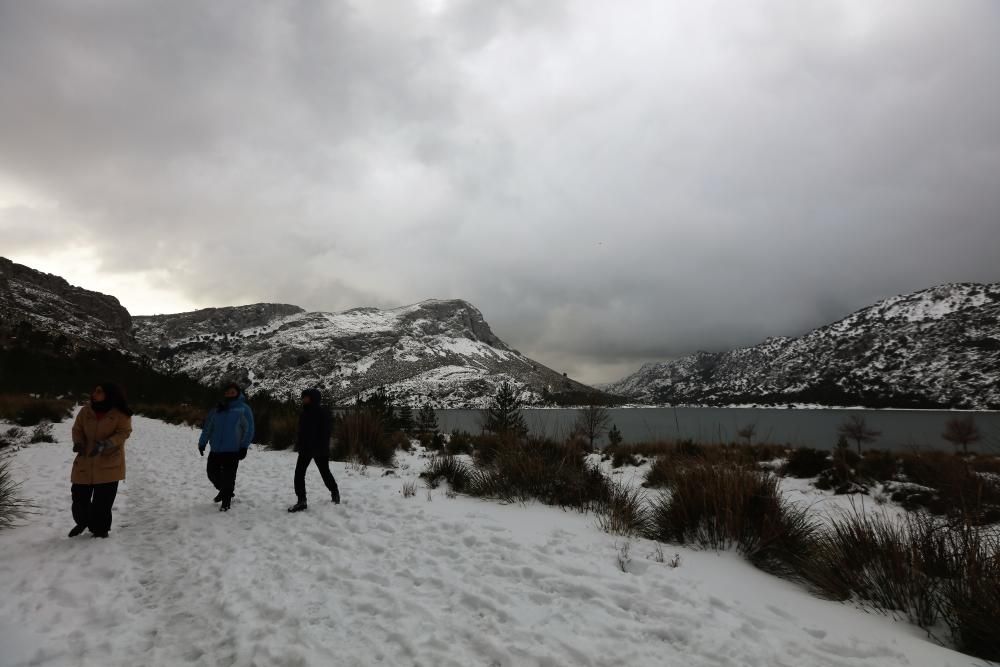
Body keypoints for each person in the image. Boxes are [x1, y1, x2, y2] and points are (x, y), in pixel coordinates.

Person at [69, 383, 133, 538]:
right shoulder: (86, 411)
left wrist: (106, 444)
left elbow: (124, 432)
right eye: (95, 390)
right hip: (85, 460)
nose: (94, 393)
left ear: (109, 395)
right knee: (78, 499)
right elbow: (77, 429)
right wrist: (79, 443)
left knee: (102, 504)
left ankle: (100, 531)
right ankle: (83, 521)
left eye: (99, 391)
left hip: (109, 461)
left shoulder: (121, 414)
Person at [198, 382, 254, 512]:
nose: (230, 394)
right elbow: (208, 428)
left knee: (229, 477)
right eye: (227, 392)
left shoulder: (244, 409)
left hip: (232, 450)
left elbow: (249, 429)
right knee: (212, 474)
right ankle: (225, 491)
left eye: (233, 392)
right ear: (224, 394)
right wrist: (202, 443)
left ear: (238, 393)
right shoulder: (217, 409)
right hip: (216, 450)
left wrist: (244, 446)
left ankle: (226, 502)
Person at [288, 388, 340, 512]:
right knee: (299, 474)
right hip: (305, 449)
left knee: (325, 472)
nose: (303, 399)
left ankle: (335, 493)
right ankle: (302, 501)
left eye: (306, 397)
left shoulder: (322, 413)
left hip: (319, 449)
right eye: (303, 397)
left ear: (313, 398)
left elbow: (326, 432)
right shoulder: (304, 413)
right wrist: (299, 443)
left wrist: (318, 446)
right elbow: (302, 432)